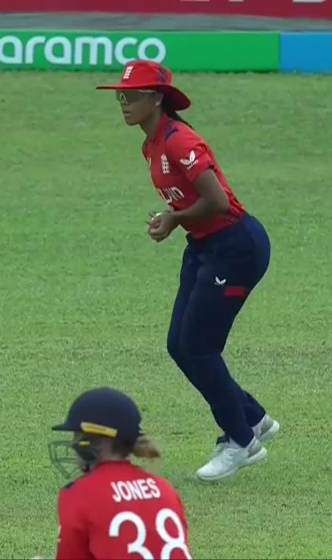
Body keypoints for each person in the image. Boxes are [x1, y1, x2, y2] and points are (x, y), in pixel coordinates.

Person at [96, 60, 279, 482]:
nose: (124, 103)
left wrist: (175, 218)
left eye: (133, 96)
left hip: (236, 247)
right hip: (203, 246)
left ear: (157, 98)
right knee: (179, 345)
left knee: (199, 348)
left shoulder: (179, 141)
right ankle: (253, 417)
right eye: (121, 96)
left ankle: (242, 442)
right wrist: (173, 218)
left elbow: (216, 201)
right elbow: (190, 204)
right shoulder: (151, 144)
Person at [50, 387, 192, 559]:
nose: (73, 444)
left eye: (77, 436)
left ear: (93, 442)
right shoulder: (165, 489)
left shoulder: (80, 494)